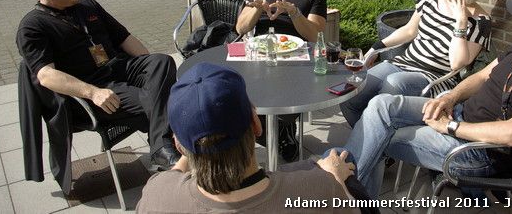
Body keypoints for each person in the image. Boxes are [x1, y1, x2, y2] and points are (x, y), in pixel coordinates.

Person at [340, 0, 512, 199]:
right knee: (382, 105)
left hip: (478, 152)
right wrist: (450, 97)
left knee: (379, 137)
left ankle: (343, 190)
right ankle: (348, 190)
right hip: (457, 113)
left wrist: (450, 127)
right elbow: (482, 75)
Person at [16, 0, 180, 170]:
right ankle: (165, 148)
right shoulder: (33, 26)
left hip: (118, 67)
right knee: (157, 100)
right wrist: (93, 93)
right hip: (94, 87)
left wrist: (153, 76)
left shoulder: (87, 5)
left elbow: (124, 38)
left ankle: (161, 148)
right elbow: (46, 75)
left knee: (161, 61)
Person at [136, 62, 361, 214]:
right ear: (256, 123)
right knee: (341, 158)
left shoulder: (155, 195)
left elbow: (173, 174)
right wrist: (336, 180)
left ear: (178, 144)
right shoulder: (319, 190)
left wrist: (193, 140)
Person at [341, 0, 491, 127]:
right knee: (351, 92)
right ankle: (374, 140)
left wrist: (461, 23)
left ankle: (379, 137)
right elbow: (409, 30)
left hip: (434, 76)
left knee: (393, 85)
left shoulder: (480, 21)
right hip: (403, 63)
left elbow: (457, 64)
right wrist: (375, 48)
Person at [236, 0, 328, 161]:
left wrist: (294, 13)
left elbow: (315, 35)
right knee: (235, 100)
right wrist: (258, 9)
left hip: (295, 63)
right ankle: (279, 135)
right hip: (260, 58)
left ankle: (279, 131)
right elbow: (241, 28)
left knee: (272, 107)